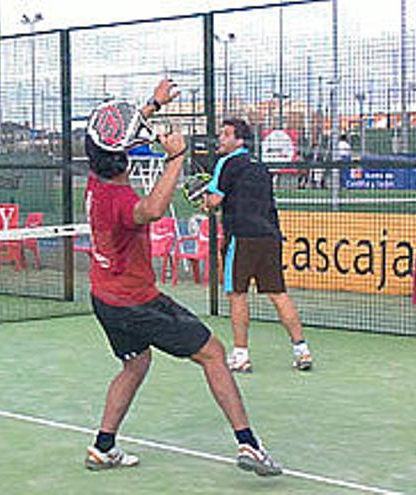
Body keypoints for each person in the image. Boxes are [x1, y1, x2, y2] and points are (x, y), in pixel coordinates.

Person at [83, 80, 281, 477]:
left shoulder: (95, 179)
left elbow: (120, 131)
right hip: (136, 302)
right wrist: (176, 158)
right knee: (213, 353)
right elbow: (154, 209)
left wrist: (153, 104)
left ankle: (102, 447)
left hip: (104, 298)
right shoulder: (121, 202)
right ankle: (249, 444)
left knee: (135, 365)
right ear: (121, 157)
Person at [204, 118, 312, 373]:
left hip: (242, 237)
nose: (220, 139)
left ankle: (240, 356)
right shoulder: (261, 167)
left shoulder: (226, 163)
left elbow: (215, 199)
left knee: (236, 294)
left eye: (226, 134)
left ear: (239, 140)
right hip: (270, 237)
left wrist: (207, 202)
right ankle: (302, 350)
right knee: (278, 294)